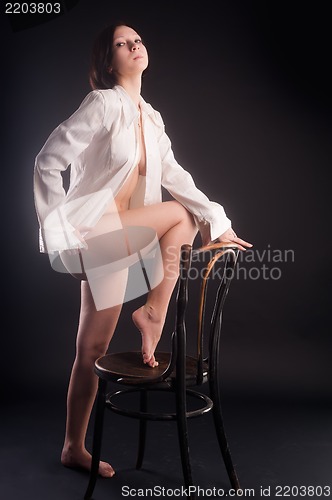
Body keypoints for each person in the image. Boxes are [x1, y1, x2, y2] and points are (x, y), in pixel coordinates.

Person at [33, 22, 252, 478]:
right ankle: (154, 312)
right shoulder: (103, 103)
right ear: (107, 60)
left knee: (91, 347)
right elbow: (47, 161)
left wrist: (222, 221)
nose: (134, 45)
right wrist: (59, 232)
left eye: (137, 40)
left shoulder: (151, 118)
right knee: (181, 217)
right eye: (121, 43)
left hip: (118, 240)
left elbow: (176, 176)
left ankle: (72, 447)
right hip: (94, 229)